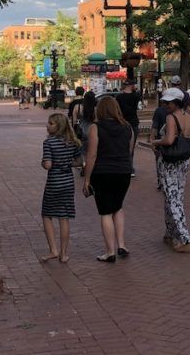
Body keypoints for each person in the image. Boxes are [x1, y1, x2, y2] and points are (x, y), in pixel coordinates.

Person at [82, 98, 134, 262]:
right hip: (124, 171)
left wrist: (87, 179)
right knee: (118, 207)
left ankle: (110, 251)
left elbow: (92, 155)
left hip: (103, 172)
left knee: (105, 211)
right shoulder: (128, 127)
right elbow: (129, 151)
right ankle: (122, 245)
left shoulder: (95, 128)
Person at [152, 87, 190, 253]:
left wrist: (156, 142)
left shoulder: (171, 118)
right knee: (173, 197)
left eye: (169, 102)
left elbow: (169, 139)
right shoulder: (189, 118)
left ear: (176, 102)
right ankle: (170, 233)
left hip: (169, 163)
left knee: (173, 201)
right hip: (183, 162)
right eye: (165, 102)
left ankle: (185, 239)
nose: (166, 105)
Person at [39, 112, 83, 264]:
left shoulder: (49, 143)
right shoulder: (72, 142)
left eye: (51, 123)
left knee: (47, 215)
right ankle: (64, 254)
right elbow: (79, 162)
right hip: (68, 182)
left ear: (58, 126)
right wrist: (68, 163)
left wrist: (44, 163)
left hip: (54, 182)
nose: (47, 125)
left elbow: (48, 164)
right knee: (64, 217)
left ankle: (53, 249)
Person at [115, 80, 141, 175]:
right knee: (131, 146)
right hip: (133, 123)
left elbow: (117, 111)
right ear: (130, 86)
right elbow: (138, 103)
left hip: (122, 123)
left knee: (122, 145)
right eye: (134, 84)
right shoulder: (136, 96)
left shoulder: (119, 97)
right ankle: (130, 167)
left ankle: (122, 166)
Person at [149, 93, 169, 191]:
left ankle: (160, 181)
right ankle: (168, 180)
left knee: (159, 161)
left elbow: (154, 126)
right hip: (172, 140)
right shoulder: (176, 111)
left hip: (160, 141)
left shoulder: (159, 111)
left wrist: (152, 140)